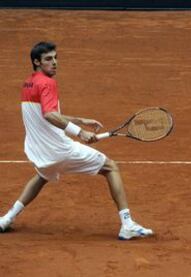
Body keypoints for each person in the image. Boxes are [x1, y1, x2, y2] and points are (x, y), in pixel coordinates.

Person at [0, 42, 153, 240]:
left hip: (39, 151)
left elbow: (48, 114)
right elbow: (50, 116)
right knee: (110, 167)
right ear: (36, 62)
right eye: (48, 59)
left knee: (42, 176)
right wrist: (80, 132)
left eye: (55, 58)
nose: (54, 63)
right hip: (59, 150)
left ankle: (6, 219)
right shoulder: (47, 83)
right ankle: (127, 224)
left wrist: (80, 119)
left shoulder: (29, 83)